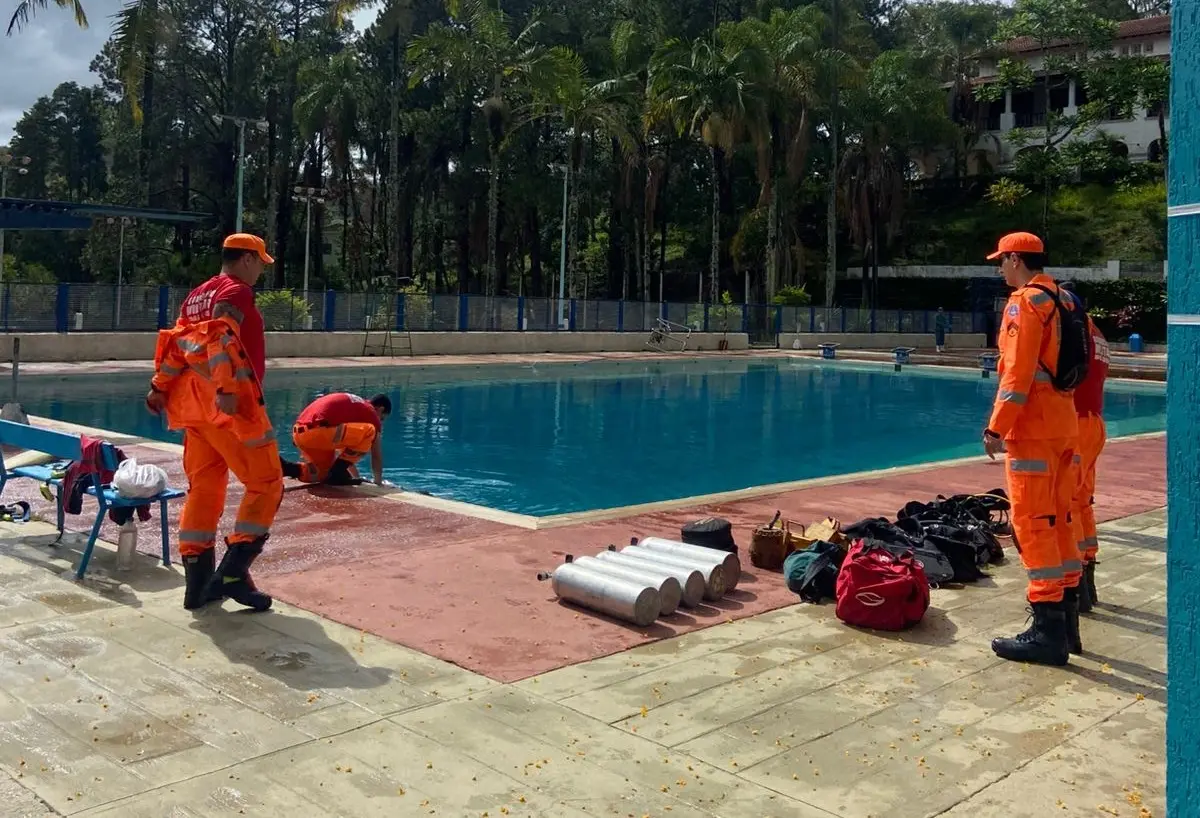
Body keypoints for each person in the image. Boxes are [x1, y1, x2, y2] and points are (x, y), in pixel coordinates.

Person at [146, 234, 283, 612]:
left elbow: (176, 347)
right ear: (247, 259)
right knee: (267, 483)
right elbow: (222, 336)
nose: (260, 272)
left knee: (204, 488)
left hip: (194, 409)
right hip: (229, 406)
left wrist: (158, 388)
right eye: (260, 263)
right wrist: (226, 388)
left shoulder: (195, 297)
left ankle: (199, 584)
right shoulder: (235, 291)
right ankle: (234, 574)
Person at [981, 232, 1081, 666]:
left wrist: (996, 428)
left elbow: (1017, 374)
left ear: (1016, 260)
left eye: (1001, 261)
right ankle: (1068, 623)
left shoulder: (1024, 303)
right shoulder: (1064, 299)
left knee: (1033, 525)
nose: (1000, 268)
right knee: (1061, 520)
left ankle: (1047, 633)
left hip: (1034, 431)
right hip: (1064, 426)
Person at [1059, 281, 1109, 614]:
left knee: (1068, 503)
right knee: (1083, 501)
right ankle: (1087, 580)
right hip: (1094, 423)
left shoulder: (1075, 329)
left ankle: (1075, 584)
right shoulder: (1097, 333)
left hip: (1076, 422)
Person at [282, 393, 391, 486]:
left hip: (299, 433)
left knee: (321, 474)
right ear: (380, 409)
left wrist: (354, 477)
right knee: (370, 431)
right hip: (318, 432)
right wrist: (378, 483)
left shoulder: (355, 408)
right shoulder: (371, 413)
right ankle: (336, 474)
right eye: (382, 418)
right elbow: (376, 455)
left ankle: (287, 468)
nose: (380, 422)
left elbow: (345, 452)